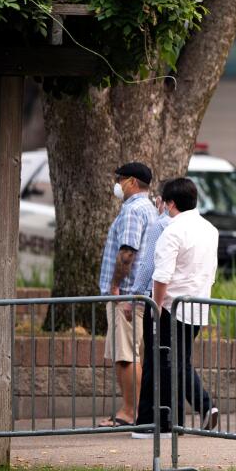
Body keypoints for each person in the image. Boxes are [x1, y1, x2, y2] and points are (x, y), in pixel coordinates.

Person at [131, 189, 219, 436]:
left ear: (170, 204)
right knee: (177, 363)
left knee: (160, 364)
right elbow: (210, 270)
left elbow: (161, 275)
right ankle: (178, 419)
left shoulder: (172, 231)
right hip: (197, 306)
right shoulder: (210, 229)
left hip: (170, 307)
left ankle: (159, 422)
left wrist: (155, 308)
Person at [98, 161, 157, 428]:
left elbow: (127, 253)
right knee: (130, 352)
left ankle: (130, 412)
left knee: (125, 355)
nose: (117, 184)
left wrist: (115, 286)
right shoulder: (150, 209)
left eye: (120, 179)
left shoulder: (133, 211)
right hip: (140, 292)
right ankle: (134, 410)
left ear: (132, 182)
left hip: (127, 294)